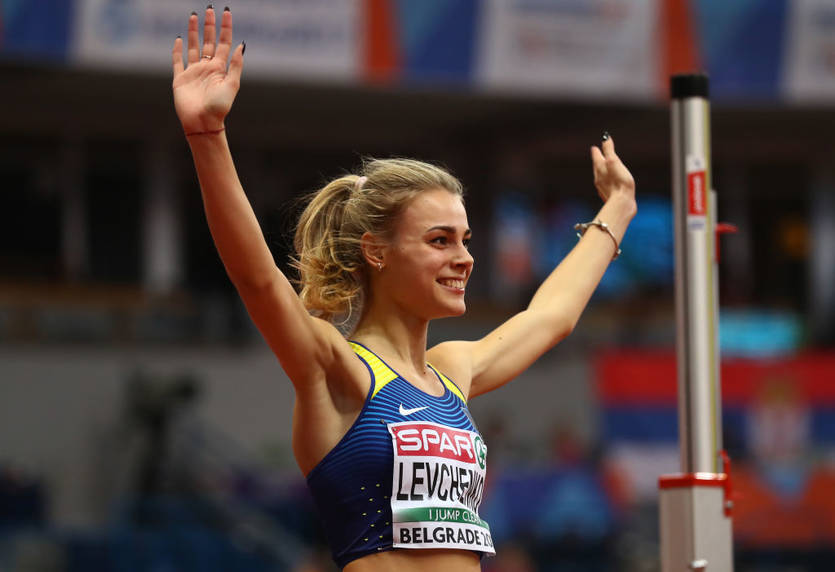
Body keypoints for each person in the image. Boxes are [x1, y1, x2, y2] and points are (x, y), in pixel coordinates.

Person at [172, 7, 636, 571]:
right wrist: (208, 136)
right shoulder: (339, 371)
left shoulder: (452, 372)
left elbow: (551, 317)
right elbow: (259, 280)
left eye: (465, 240)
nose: (464, 258)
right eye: (440, 240)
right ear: (377, 252)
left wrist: (618, 207)